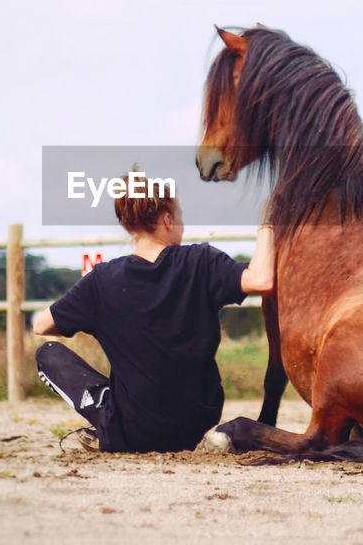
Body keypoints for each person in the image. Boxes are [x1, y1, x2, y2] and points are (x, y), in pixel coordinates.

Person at [32, 178, 276, 453]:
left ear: (128, 225)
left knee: (48, 353)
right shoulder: (201, 262)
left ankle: (103, 404)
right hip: (198, 424)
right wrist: (268, 223)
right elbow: (262, 280)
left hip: (131, 433)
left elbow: (41, 325)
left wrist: (101, 319)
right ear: (168, 220)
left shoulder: (101, 282)